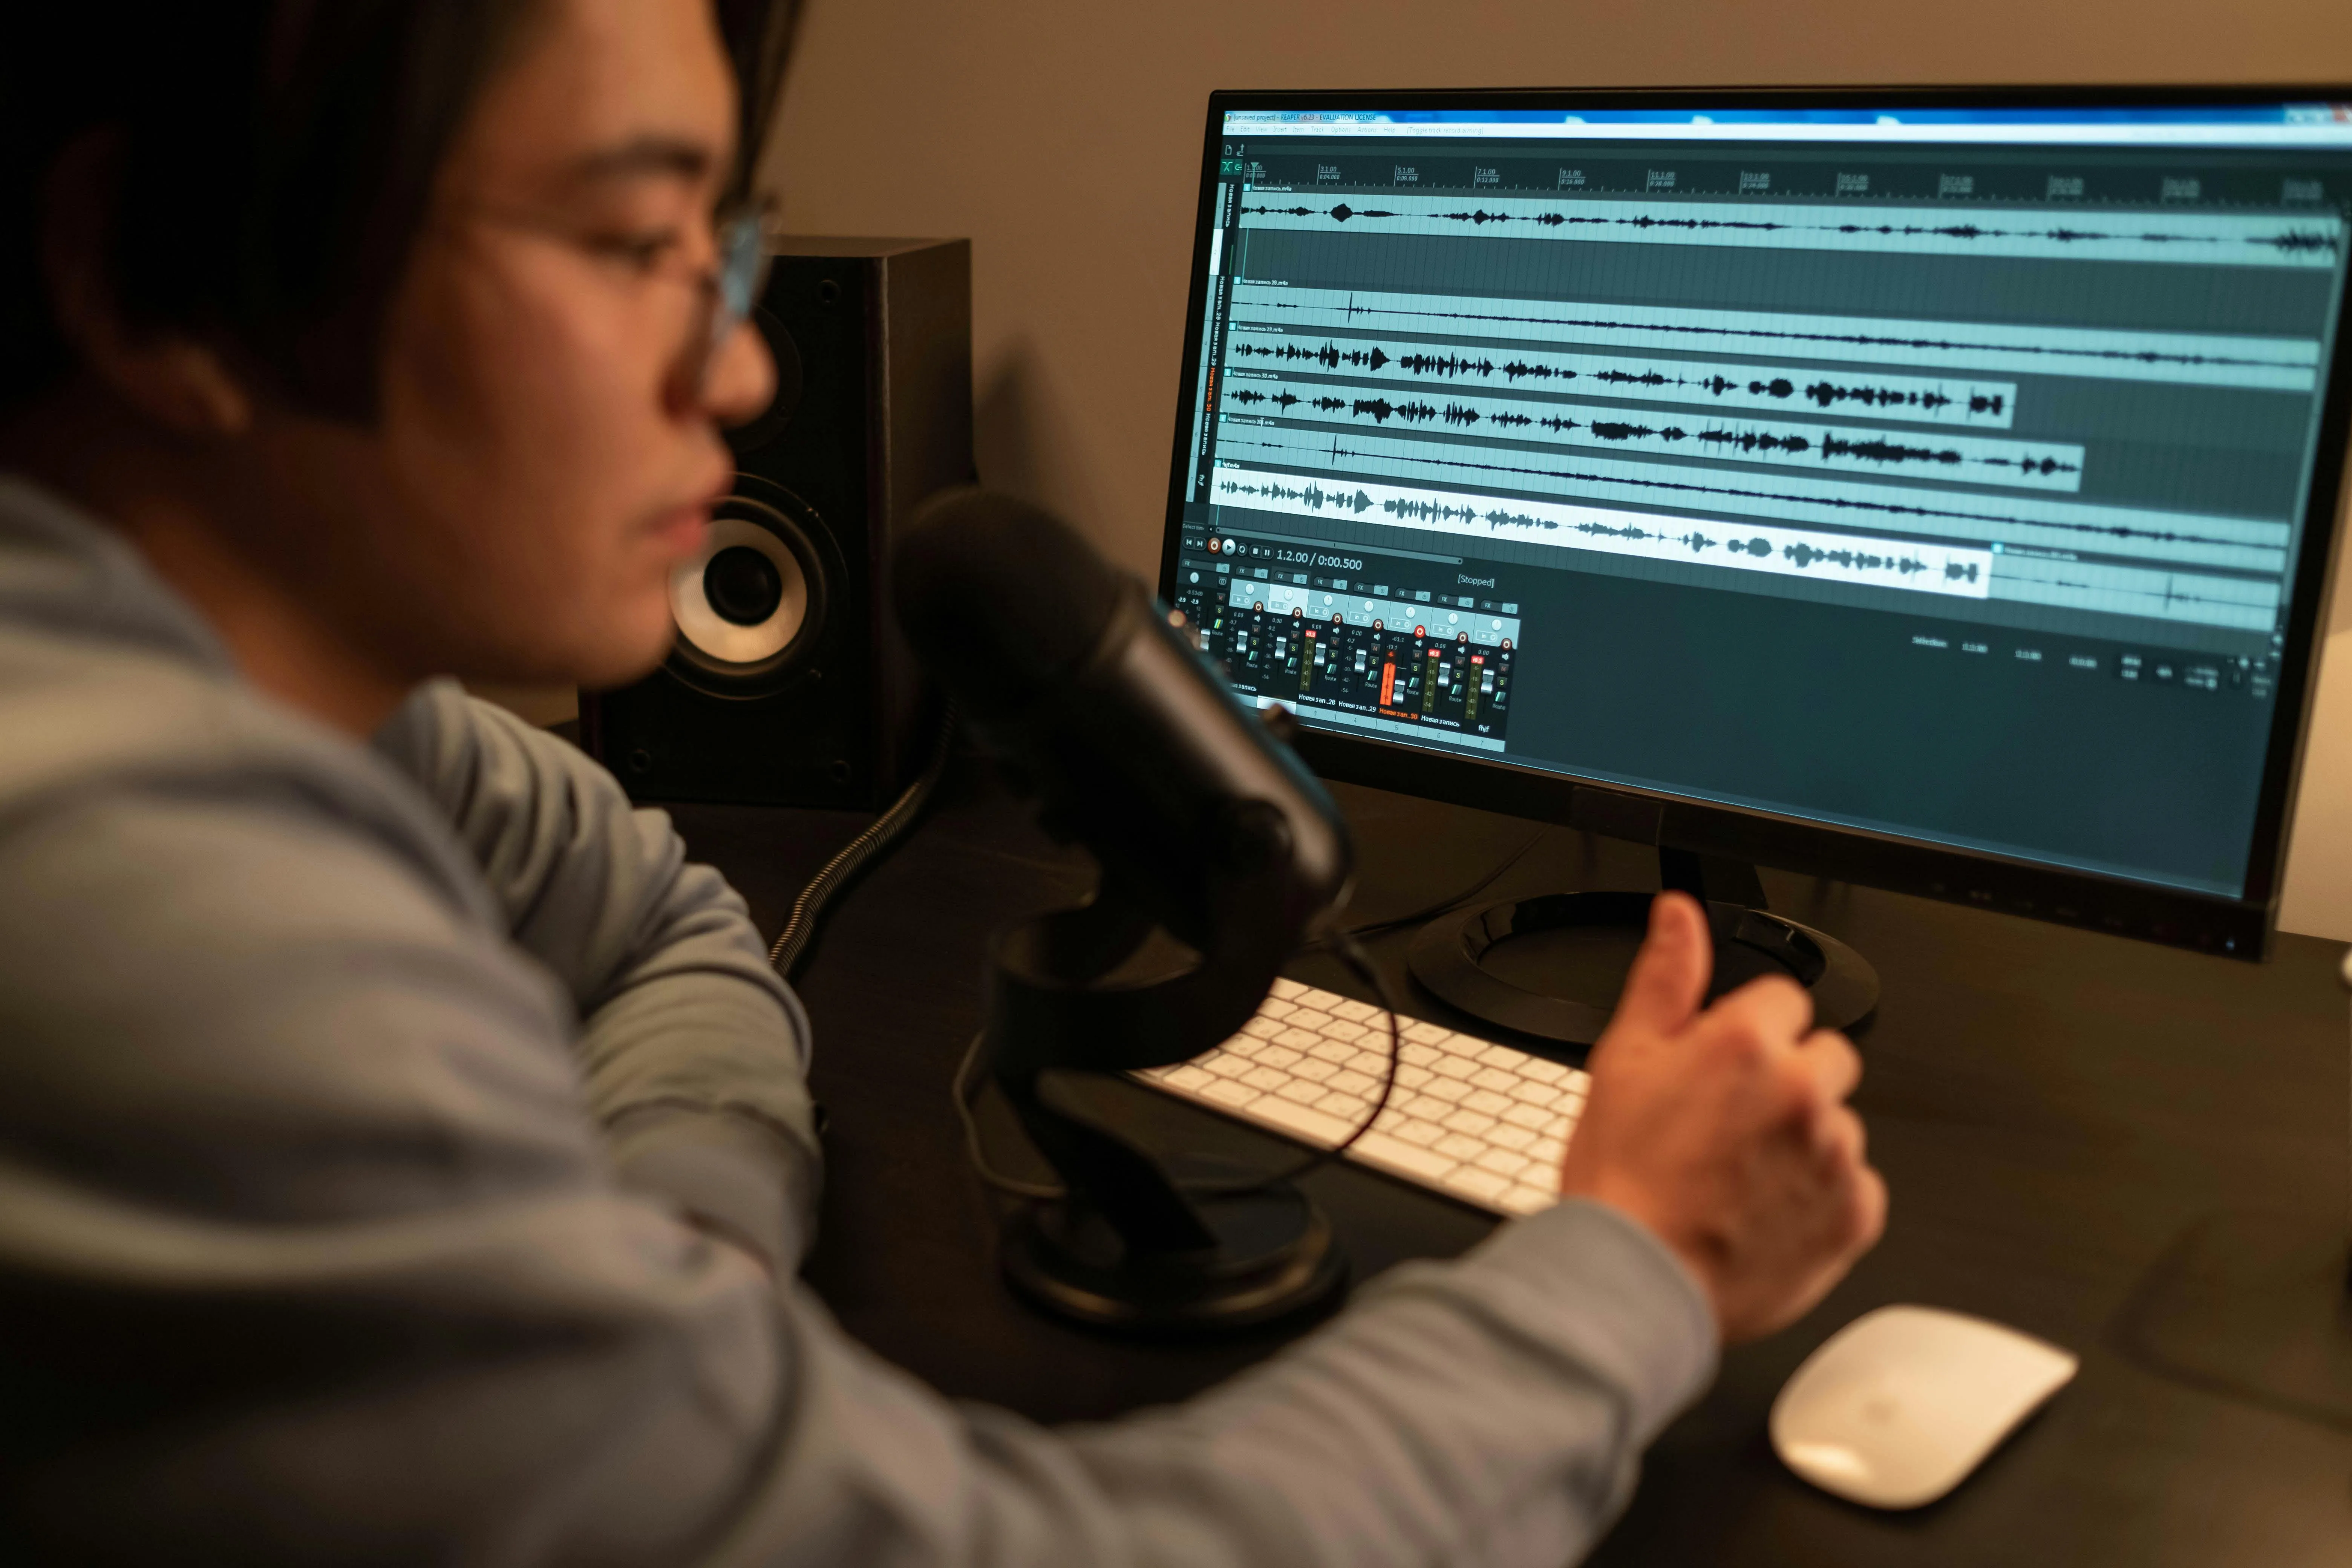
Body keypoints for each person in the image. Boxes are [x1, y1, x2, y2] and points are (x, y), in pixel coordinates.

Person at [0, 2, 1885, 1562]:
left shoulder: (318, 709)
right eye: (627, 244)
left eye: (719, 251)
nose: (740, 369)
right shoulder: (131, 909)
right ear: (144, 281)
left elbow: (661, 912)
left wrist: (666, 1289)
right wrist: (1642, 1255)